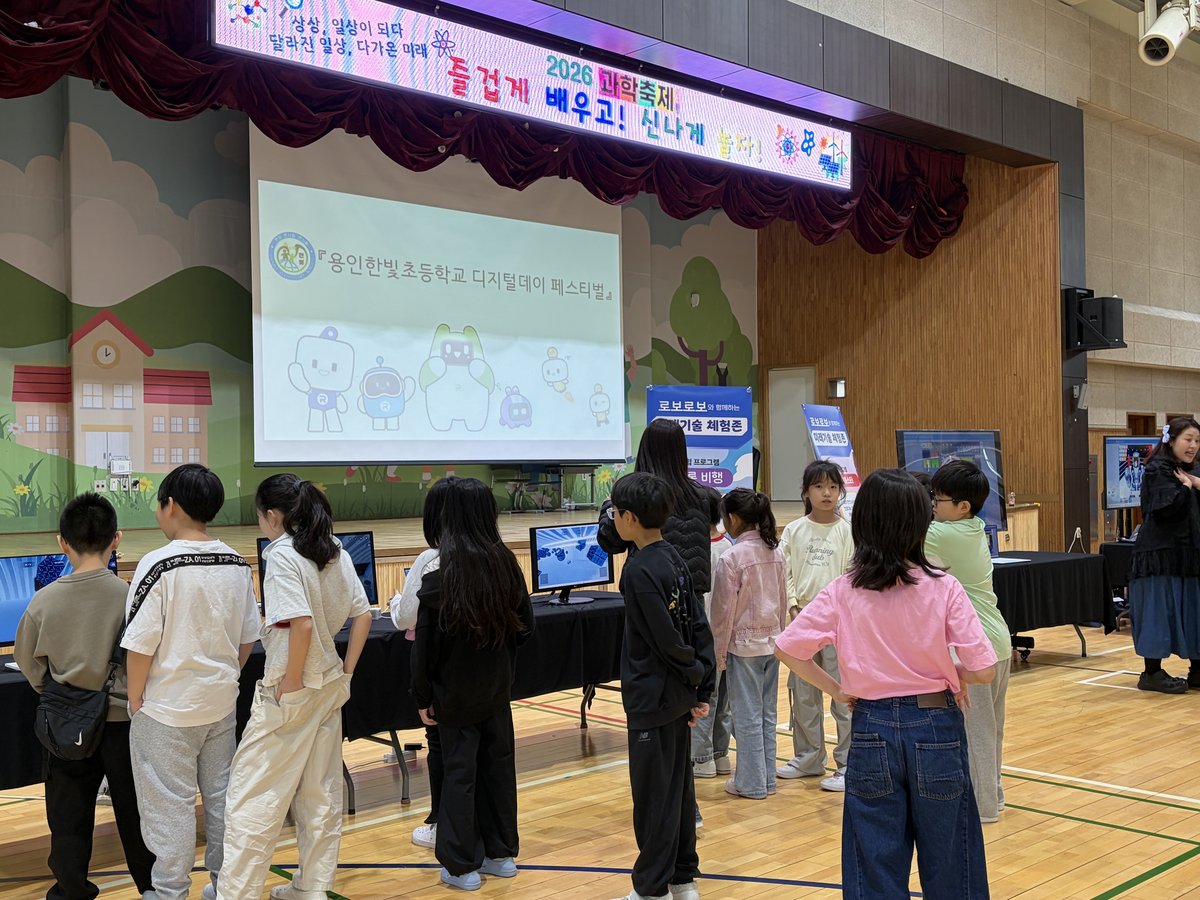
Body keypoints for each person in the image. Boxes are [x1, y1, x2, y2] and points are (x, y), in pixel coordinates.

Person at [775, 468, 997, 899]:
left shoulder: (843, 590)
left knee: (873, 862)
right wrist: (953, 673)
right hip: (936, 723)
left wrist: (838, 690)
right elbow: (984, 669)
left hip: (871, 725)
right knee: (952, 859)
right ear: (920, 525)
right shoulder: (944, 587)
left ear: (863, 524)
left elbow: (788, 649)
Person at [218, 475, 373, 900]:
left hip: (293, 693)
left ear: (272, 516)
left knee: (252, 799)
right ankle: (311, 888)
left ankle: (237, 895)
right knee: (319, 796)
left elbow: (300, 624)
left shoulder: (283, 555)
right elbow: (363, 615)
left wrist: (290, 682)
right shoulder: (334, 549)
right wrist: (347, 672)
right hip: (329, 686)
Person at [121, 464, 261, 900]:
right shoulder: (236, 562)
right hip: (220, 705)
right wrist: (225, 678)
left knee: (169, 808)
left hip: (167, 711)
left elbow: (140, 645)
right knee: (222, 799)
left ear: (172, 506)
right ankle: (225, 887)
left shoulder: (158, 564)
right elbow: (247, 639)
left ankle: (169, 892)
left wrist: (135, 699)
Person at [14, 493, 155, 900]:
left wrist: (58, 692)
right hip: (126, 723)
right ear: (117, 539)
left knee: (68, 816)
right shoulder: (133, 597)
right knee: (137, 813)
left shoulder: (44, 601)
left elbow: (27, 661)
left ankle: (71, 890)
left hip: (66, 723)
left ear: (62, 542)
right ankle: (152, 888)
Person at [411, 477, 534, 891]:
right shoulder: (507, 566)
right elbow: (526, 627)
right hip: (497, 691)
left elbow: (423, 650)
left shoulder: (439, 577)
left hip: (454, 697)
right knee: (498, 768)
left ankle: (461, 865)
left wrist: (422, 695)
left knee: (459, 776)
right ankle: (500, 855)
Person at [608, 472, 715, 900]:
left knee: (655, 795)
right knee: (678, 790)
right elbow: (698, 626)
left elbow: (666, 639)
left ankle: (653, 888)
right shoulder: (674, 556)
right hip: (676, 695)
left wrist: (694, 678)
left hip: (653, 697)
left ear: (630, 518)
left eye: (616, 513)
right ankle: (682, 877)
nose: (614, 519)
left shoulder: (639, 571)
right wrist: (701, 684)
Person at [925, 460, 1012, 824]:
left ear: (963, 506)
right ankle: (994, 795)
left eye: (938, 498)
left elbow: (898, 539)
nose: (932, 504)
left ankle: (983, 808)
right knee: (990, 730)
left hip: (974, 646)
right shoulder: (973, 526)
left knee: (975, 733)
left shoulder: (942, 535)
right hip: (997, 641)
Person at [776, 461, 853, 792]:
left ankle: (848, 763)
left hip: (839, 624)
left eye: (833, 487)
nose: (827, 493)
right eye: (819, 486)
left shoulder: (847, 531)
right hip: (803, 619)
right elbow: (786, 572)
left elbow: (851, 574)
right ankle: (808, 758)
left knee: (843, 694)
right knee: (804, 693)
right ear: (806, 492)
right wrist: (793, 606)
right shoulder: (794, 530)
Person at [709, 488, 787, 801]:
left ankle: (752, 783)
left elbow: (722, 613)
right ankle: (766, 779)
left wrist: (718, 653)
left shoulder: (732, 557)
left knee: (747, 716)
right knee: (767, 715)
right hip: (773, 644)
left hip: (743, 648)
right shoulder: (775, 551)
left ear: (734, 518)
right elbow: (782, 602)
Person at [390, 483, 448, 851]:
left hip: (441, 675)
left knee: (441, 747)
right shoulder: (495, 557)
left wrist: (396, 601)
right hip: (486, 679)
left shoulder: (431, 560)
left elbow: (405, 617)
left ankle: (442, 824)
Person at [598, 418, 712, 607]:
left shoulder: (637, 493)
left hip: (647, 590)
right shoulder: (702, 495)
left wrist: (609, 507)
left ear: (645, 450)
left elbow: (611, 543)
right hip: (692, 595)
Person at [1128, 416, 1200, 693]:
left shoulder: (1189, 472)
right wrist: (1186, 487)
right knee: (1159, 612)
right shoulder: (1157, 470)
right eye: (1188, 439)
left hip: (1188, 555)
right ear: (1171, 440)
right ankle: (1152, 673)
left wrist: (1192, 482)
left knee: (1193, 612)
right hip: (1158, 556)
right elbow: (1169, 510)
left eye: (1197, 441)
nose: (1193, 446)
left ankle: (1197, 670)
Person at [691, 487, 732, 782]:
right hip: (729, 636)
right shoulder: (729, 546)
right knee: (723, 700)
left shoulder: (704, 550)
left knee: (706, 698)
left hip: (709, 635)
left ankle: (702, 758)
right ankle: (721, 754)